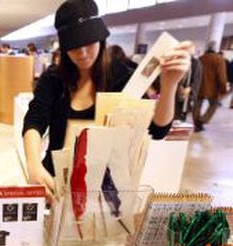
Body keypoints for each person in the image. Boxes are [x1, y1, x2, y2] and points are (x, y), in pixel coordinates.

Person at [22, 0, 193, 203]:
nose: (83, 53)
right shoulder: (54, 79)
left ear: (101, 39)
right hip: (55, 185)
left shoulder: (122, 78)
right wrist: (33, 164)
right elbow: (34, 120)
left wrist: (169, 85)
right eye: (75, 47)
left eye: (89, 43)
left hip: (103, 196)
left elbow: (157, 130)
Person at [192, 41, 229, 132]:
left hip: (198, 87)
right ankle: (202, 120)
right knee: (214, 104)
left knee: (197, 105)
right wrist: (223, 89)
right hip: (213, 88)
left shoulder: (200, 58)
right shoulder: (219, 59)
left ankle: (197, 123)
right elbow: (221, 76)